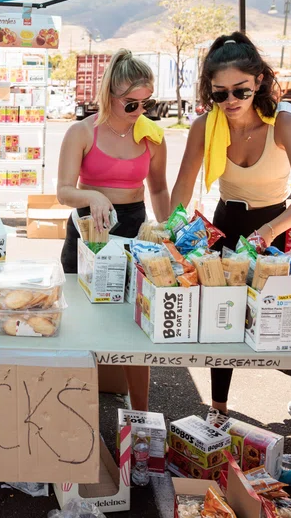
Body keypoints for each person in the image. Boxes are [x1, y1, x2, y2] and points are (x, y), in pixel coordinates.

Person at [169, 32, 291, 447]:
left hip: (275, 228)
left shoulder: (284, 122)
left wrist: (270, 232)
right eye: (220, 93)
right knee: (221, 318)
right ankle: (218, 410)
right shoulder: (206, 126)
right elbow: (182, 190)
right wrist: (174, 232)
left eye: (240, 90)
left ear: (258, 81)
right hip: (227, 225)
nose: (231, 100)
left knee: (280, 323)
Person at [56, 49, 170, 412]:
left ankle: (142, 415)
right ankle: (73, 408)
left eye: (147, 103)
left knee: (136, 322)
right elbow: (63, 191)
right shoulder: (81, 131)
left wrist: (167, 233)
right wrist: (92, 195)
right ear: (109, 96)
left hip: (134, 227)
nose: (140, 111)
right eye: (131, 104)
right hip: (88, 230)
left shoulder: (151, 135)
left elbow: (159, 188)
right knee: (81, 320)